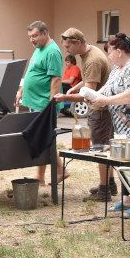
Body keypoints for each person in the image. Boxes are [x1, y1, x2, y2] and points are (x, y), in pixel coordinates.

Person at [86, 32, 130, 217]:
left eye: (110, 51)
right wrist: (93, 97)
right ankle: (126, 200)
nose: (108, 55)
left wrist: (105, 101)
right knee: (123, 163)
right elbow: (106, 89)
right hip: (122, 126)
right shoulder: (118, 68)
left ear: (119, 50)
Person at [53, 28, 115, 200]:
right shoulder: (90, 52)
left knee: (100, 149)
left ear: (78, 43)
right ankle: (110, 184)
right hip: (104, 109)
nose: (66, 50)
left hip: (100, 110)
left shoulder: (92, 60)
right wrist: (76, 86)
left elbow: (89, 93)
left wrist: (65, 96)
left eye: (67, 47)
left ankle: (104, 191)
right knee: (106, 146)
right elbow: (89, 79)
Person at [14, 20, 66, 186]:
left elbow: (56, 79)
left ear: (45, 33)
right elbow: (31, 71)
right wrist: (21, 90)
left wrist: (51, 104)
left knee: (43, 138)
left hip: (44, 104)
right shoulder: (38, 49)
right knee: (43, 138)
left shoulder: (52, 51)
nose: (32, 39)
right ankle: (49, 174)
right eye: (30, 36)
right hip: (34, 102)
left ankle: (52, 173)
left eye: (35, 35)